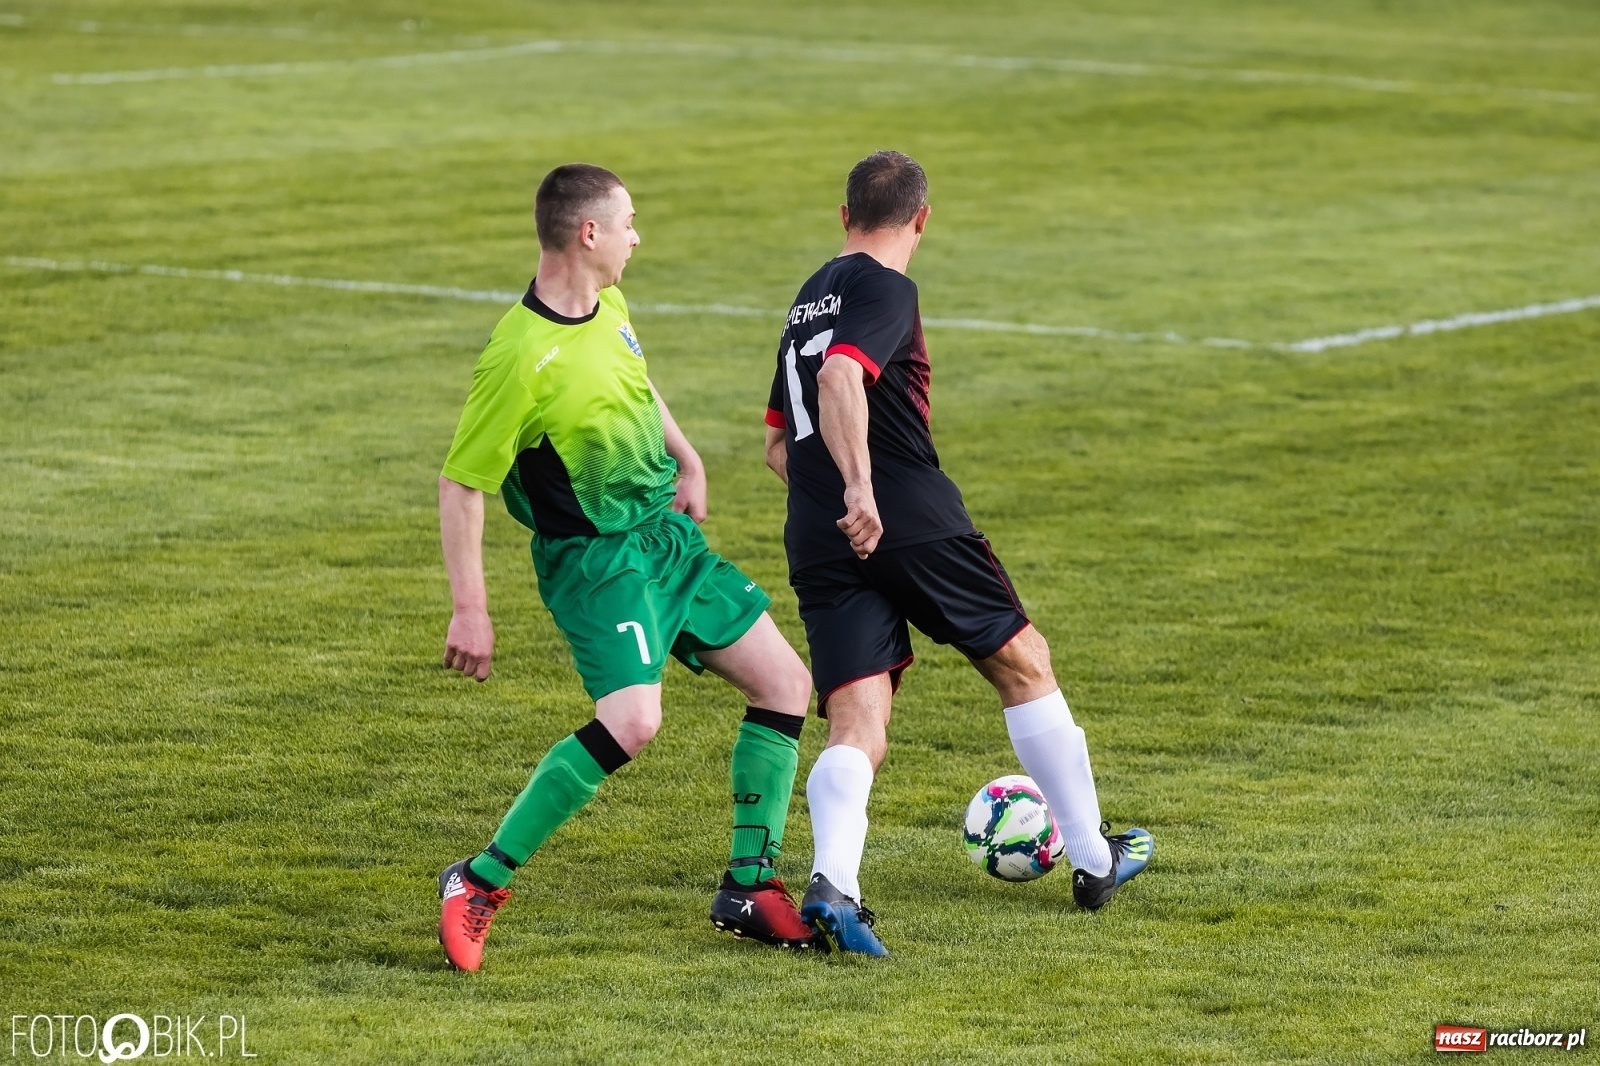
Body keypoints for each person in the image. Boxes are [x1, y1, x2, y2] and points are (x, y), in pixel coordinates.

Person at [763, 151, 1153, 956]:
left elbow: (776, 443)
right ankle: (1093, 860)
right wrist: (866, 491)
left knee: (855, 720)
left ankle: (835, 883)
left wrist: (834, 504)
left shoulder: (808, 296)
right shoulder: (885, 285)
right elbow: (841, 381)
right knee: (1024, 663)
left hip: (815, 528)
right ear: (923, 220)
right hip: (903, 514)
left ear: (843, 216)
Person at [435, 163, 817, 971]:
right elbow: (461, 483)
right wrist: (471, 607)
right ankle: (478, 879)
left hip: (664, 540)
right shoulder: (517, 357)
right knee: (633, 722)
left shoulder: (609, 304)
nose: (638, 236)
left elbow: (636, 382)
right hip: (597, 561)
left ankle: (748, 885)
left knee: (785, 684)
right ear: (589, 233)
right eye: (630, 222)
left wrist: (685, 455)